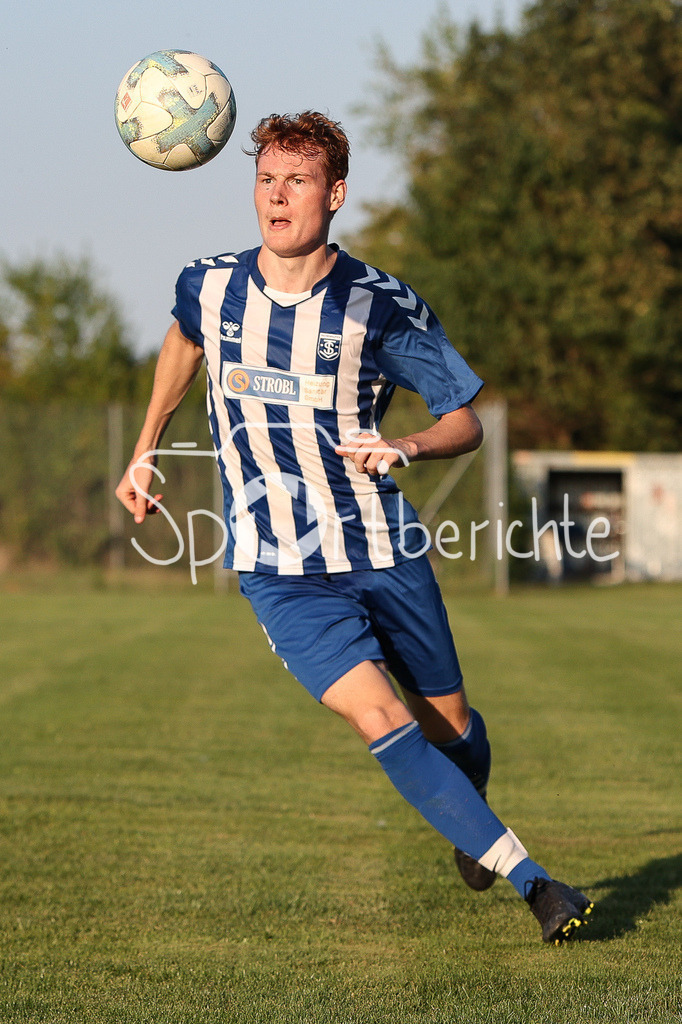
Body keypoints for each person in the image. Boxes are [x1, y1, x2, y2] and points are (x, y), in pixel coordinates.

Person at [116, 111, 594, 944]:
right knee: (383, 720)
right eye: (266, 179)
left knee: (452, 729)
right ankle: (538, 885)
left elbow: (464, 420)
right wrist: (145, 446)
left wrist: (405, 444)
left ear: (334, 194)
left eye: (297, 181)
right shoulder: (211, 283)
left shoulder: (378, 305)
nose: (277, 195)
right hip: (279, 566)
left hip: (383, 547)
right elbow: (184, 340)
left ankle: (470, 823)